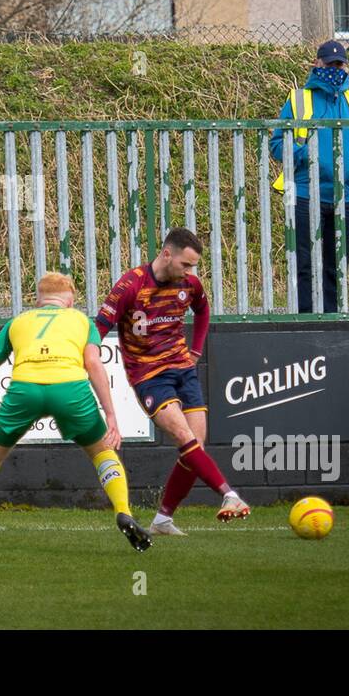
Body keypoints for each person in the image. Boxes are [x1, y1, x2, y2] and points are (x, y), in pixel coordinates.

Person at [0, 272, 152, 553]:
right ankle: (123, 510)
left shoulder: (17, 322)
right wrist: (111, 415)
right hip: (70, 391)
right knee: (102, 453)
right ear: (70, 299)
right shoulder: (80, 320)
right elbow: (93, 364)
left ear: (39, 299)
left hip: (25, 392)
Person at [96, 227, 249, 535]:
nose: (190, 272)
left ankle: (163, 519)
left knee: (195, 445)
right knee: (185, 438)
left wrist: (195, 350)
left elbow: (203, 311)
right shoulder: (130, 285)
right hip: (149, 376)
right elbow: (98, 328)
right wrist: (85, 359)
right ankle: (228, 495)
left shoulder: (189, 284)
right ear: (167, 254)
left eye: (193, 266)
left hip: (183, 370)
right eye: (185, 265)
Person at [268, 39, 349, 313]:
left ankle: (331, 318)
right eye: (329, 63)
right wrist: (305, 154)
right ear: (317, 64)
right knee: (304, 263)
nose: (335, 68)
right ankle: (305, 320)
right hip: (305, 193)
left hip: (346, 195)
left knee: (337, 264)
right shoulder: (298, 99)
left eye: (340, 64)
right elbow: (277, 145)